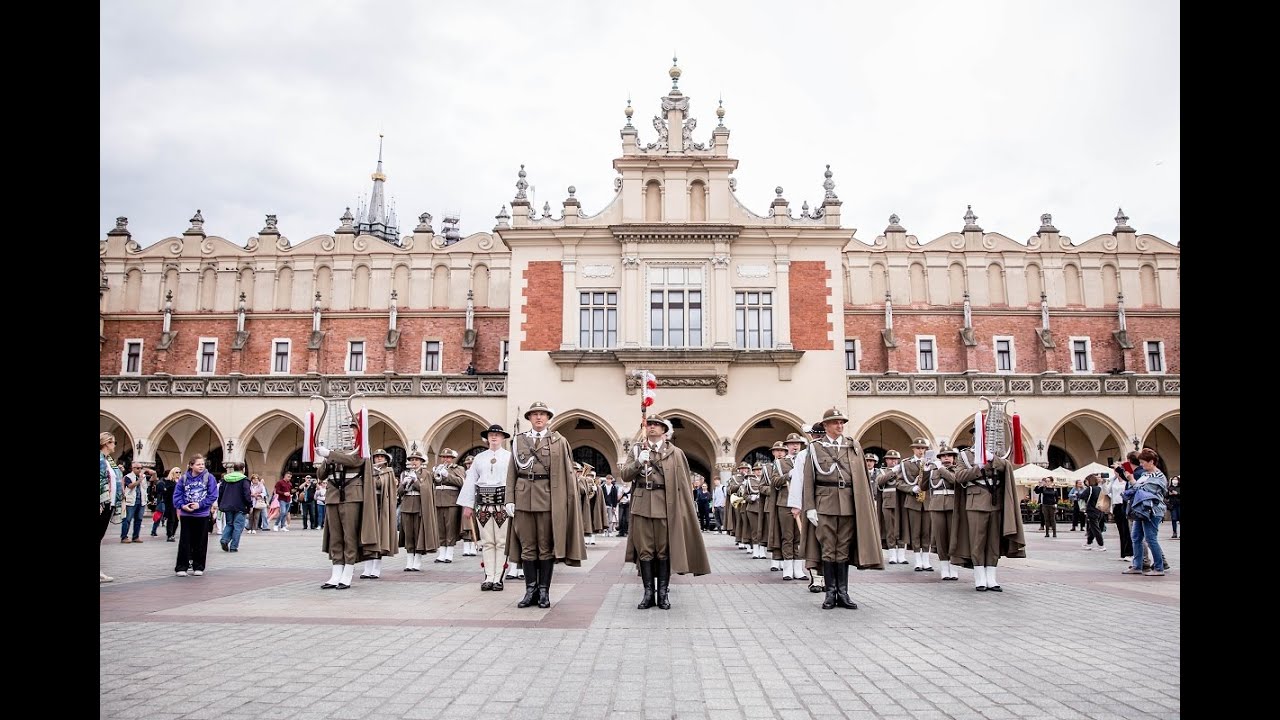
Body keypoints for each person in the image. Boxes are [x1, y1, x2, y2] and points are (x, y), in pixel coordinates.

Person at [621, 415, 710, 609]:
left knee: (663, 551)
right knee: (644, 551)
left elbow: (684, 483)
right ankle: (648, 594)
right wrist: (638, 463)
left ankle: (662, 594)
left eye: (657, 425)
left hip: (665, 506)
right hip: (642, 505)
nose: (652, 427)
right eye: (649, 424)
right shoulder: (637, 449)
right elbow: (625, 475)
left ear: (664, 430)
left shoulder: (675, 452)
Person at [800, 408, 883, 609]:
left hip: (848, 503)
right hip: (824, 503)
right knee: (828, 549)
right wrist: (809, 507)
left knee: (843, 548)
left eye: (842, 422)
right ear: (826, 425)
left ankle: (843, 593)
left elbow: (861, 477)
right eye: (835, 422)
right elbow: (809, 479)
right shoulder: (815, 448)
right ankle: (830, 594)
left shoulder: (852, 446)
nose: (840, 426)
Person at [506, 401, 586, 609]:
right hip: (523, 498)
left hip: (548, 499)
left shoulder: (559, 441)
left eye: (542, 414)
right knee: (527, 547)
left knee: (545, 547)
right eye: (534, 414)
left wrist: (565, 502)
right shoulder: (519, 440)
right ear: (529, 418)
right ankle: (529, 590)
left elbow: (567, 474)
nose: (539, 417)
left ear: (548, 418)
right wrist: (509, 499)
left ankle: (543, 592)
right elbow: (512, 472)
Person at [313, 418, 383, 589]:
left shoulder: (361, 448)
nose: (349, 432)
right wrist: (327, 458)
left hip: (352, 495)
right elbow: (321, 475)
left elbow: (355, 462)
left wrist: (330, 454)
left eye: (352, 429)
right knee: (335, 536)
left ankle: (348, 573)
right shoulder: (334, 450)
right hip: (333, 496)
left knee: (349, 535)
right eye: (347, 429)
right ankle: (336, 572)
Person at [949, 449, 1027, 592]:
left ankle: (991, 578)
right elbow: (959, 476)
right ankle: (980, 578)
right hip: (975, 502)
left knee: (993, 542)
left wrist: (992, 459)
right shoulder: (965, 455)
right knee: (977, 542)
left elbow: (1006, 467)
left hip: (996, 502)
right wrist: (978, 467)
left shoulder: (997, 453)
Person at [459, 424, 513, 590]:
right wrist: (467, 505)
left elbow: (513, 482)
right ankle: (488, 576)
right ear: (487, 437)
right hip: (483, 504)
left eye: (497, 435)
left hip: (502, 503)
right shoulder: (479, 458)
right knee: (487, 542)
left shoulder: (510, 457)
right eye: (491, 435)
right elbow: (470, 482)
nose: (494, 437)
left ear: (503, 437)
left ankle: (498, 577)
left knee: (502, 542)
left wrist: (513, 502)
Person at [1122, 448, 1169, 577]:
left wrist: (1131, 479)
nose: (1141, 465)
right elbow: (1135, 488)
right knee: (1136, 537)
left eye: (1143, 462)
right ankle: (1138, 566)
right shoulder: (1145, 474)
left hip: (1153, 511)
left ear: (1152, 461)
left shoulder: (1159, 476)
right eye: (1140, 462)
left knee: (1150, 538)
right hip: (1141, 510)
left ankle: (1159, 567)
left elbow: (1144, 491)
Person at [173, 454, 219, 577]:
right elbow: (177, 495)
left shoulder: (209, 478)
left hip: (202, 514)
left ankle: (198, 566)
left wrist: (200, 505)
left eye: (203, 464)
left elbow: (213, 495)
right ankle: (181, 566)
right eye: (198, 464)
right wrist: (182, 506)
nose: (201, 466)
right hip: (186, 514)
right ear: (191, 465)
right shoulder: (183, 479)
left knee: (200, 541)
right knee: (185, 540)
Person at [893, 438, 934, 572]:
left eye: (923, 448)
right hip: (913, 502)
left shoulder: (930, 463)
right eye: (918, 448)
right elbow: (898, 483)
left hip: (927, 501)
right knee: (915, 532)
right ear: (913, 449)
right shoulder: (906, 464)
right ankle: (917, 560)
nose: (921, 451)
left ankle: (926, 561)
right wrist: (911, 489)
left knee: (927, 532)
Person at [397, 446, 439, 573]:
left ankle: (417, 561)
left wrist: (415, 481)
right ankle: (409, 560)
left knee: (418, 534)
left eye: (416, 459)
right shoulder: (405, 473)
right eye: (412, 459)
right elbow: (399, 492)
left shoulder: (426, 473)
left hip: (419, 506)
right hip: (407, 505)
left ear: (421, 461)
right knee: (408, 534)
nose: (414, 462)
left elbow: (425, 489)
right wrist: (403, 484)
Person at [361, 448, 399, 579]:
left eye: (381, 457)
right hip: (369, 506)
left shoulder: (388, 472)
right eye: (377, 457)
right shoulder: (368, 470)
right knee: (368, 536)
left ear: (386, 460)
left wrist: (375, 476)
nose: (379, 459)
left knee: (380, 538)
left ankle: (376, 569)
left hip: (381, 506)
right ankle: (367, 568)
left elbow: (382, 486)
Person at [925, 444, 961, 580]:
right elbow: (923, 486)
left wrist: (940, 468)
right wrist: (926, 470)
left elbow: (955, 480)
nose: (946, 458)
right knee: (940, 538)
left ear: (953, 458)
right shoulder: (933, 470)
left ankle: (954, 567)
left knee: (953, 537)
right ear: (939, 458)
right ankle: (944, 568)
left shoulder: (957, 469)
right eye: (943, 456)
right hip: (936, 506)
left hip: (952, 505)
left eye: (949, 456)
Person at [431, 448, 465, 563]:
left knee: (450, 528)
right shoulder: (437, 468)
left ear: (452, 458)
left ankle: (449, 554)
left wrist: (447, 476)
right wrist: (434, 474)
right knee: (440, 528)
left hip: (451, 501)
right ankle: (441, 553)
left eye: (448, 457)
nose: (446, 459)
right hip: (438, 500)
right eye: (444, 457)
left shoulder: (458, 469)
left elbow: (462, 482)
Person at [100, 433, 123, 582]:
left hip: (109, 503)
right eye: (114, 442)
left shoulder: (109, 461)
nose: (115, 445)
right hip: (102, 504)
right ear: (107, 443)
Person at [877, 449, 906, 564]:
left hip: (901, 502)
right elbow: (879, 482)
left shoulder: (902, 471)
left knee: (902, 527)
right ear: (886, 460)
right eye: (890, 459)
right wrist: (892, 472)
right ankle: (892, 553)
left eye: (895, 459)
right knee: (890, 528)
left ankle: (902, 554)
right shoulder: (883, 471)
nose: (893, 461)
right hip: (888, 502)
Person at [218, 462, 252, 553]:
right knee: (238, 526)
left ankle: (224, 540)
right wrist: (250, 505)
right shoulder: (244, 480)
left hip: (227, 505)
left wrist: (220, 504)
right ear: (243, 469)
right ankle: (233, 547)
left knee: (229, 523)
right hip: (240, 506)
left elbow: (220, 492)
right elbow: (247, 494)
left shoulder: (226, 479)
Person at [120, 461, 152, 543]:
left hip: (141, 501)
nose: (140, 470)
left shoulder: (143, 476)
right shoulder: (128, 476)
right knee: (127, 519)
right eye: (138, 468)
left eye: (141, 468)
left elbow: (153, 479)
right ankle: (124, 537)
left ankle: (136, 536)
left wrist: (154, 473)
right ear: (133, 468)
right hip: (131, 501)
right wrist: (139, 480)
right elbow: (130, 486)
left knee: (139, 520)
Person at [1108, 464, 1133, 561]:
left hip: (1125, 504)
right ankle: (1123, 553)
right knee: (1121, 530)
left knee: (1126, 529)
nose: (1114, 471)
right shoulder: (1113, 481)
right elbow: (1107, 491)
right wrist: (1105, 482)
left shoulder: (1127, 481)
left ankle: (1130, 553)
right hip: (1116, 506)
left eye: (1115, 470)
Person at [1080, 474, 1106, 551]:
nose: (1086, 482)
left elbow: (1081, 496)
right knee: (1092, 527)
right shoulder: (1099, 488)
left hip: (1091, 510)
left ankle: (1101, 545)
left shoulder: (1090, 489)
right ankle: (1089, 543)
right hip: (1099, 510)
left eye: (1086, 481)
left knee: (1095, 528)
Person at [1166, 475, 1180, 539]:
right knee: (1174, 519)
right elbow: (1166, 496)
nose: (1175, 480)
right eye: (1174, 479)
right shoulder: (1170, 488)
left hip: (1179, 505)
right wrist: (1169, 493)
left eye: (1176, 479)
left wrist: (1177, 494)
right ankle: (1174, 533)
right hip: (1173, 506)